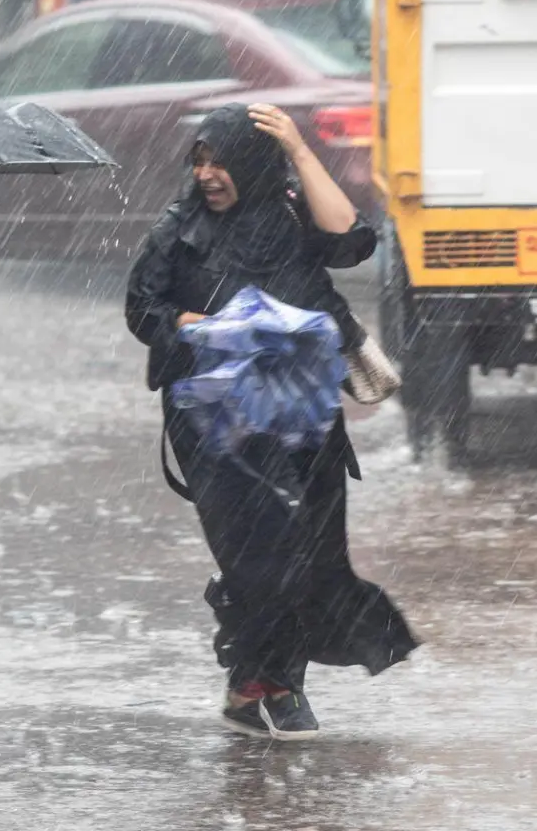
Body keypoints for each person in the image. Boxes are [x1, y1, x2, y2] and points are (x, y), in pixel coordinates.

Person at [124, 102, 418, 741]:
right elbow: (141, 305)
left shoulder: (289, 210)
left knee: (310, 552)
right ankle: (272, 684)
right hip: (212, 416)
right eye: (199, 160)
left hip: (302, 406)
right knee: (259, 550)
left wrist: (299, 148)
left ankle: (255, 685)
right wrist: (191, 324)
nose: (206, 174)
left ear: (253, 164)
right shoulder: (180, 227)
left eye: (220, 160)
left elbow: (352, 239)